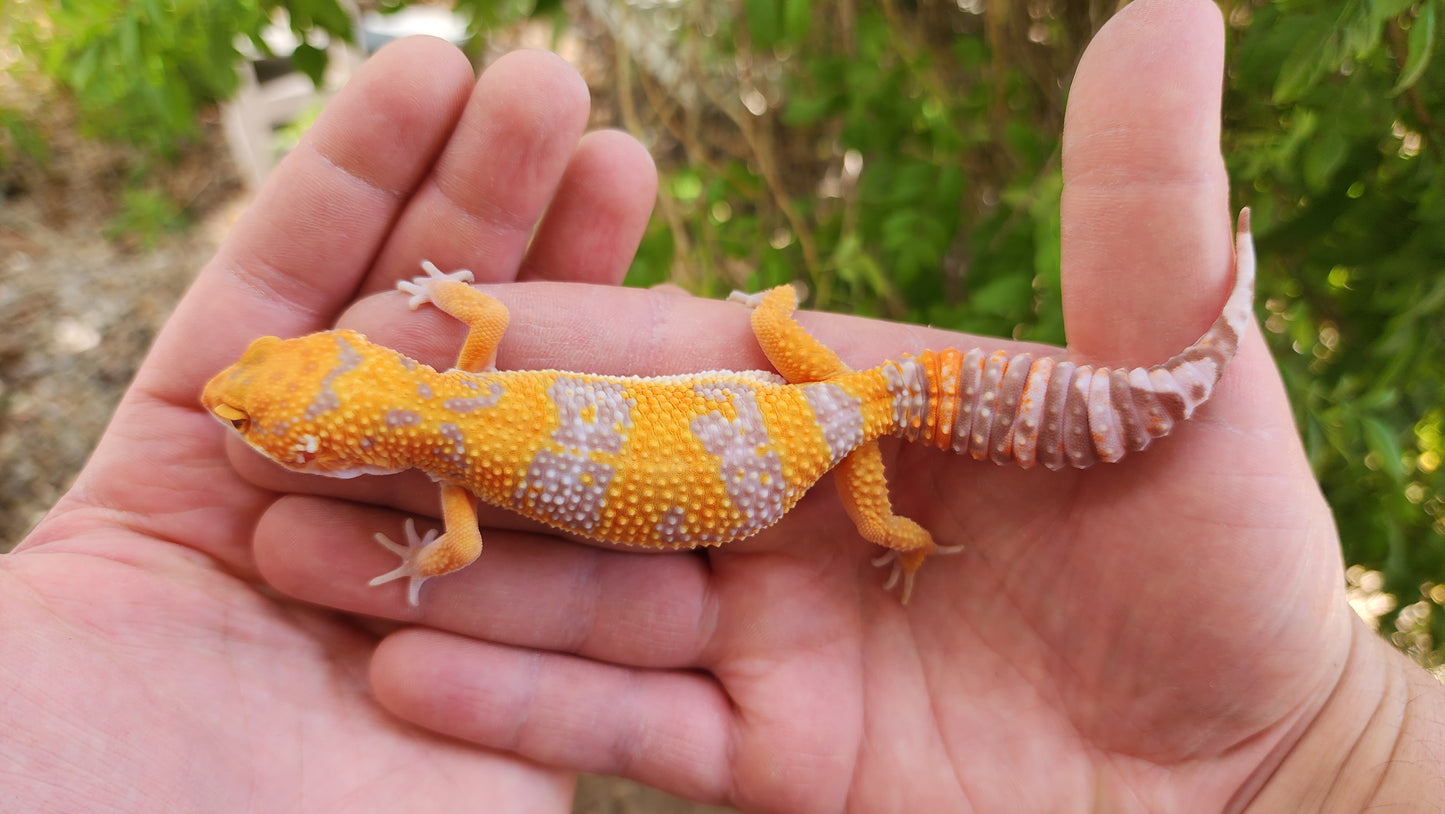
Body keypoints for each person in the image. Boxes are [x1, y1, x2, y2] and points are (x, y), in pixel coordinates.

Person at [4, 0, 1441, 810]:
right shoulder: (450, 381)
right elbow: (487, 325)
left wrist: (1329, 740)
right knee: (788, 347)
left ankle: (938, 522)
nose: (241, 414)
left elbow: (450, 554)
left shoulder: (439, 471)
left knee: (877, 466)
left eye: (261, 422)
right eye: (260, 412)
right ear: (349, 396)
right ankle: (892, 461)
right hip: (793, 410)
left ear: (341, 431)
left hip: (795, 462)